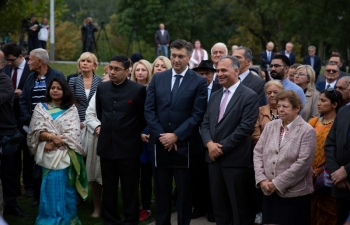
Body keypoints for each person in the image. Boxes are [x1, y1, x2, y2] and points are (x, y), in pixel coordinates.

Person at [145, 39, 207, 225]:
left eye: (181, 56)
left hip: (185, 145)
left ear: (189, 57)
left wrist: (176, 135)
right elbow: (149, 110)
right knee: (162, 193)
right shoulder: (158, 78)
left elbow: (197, 114)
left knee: (184, 194)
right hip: (160, 143)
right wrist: (163, 136)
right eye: (173, 55)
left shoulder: (198, 82)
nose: (176, 59)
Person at [201, 55, 259, 224]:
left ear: (236, 71)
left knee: (238, 208)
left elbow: (245, 128)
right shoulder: (215, 95)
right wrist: (209, 144)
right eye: (217, 70)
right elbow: (205, 124)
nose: (219, 73)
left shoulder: (249, 96)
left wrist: (220, 148)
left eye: (223, 70)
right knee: (219, 208)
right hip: (213, 161)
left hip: (234, 161)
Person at [27, 77, 88, 225]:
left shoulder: (71, 109)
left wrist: (54, 142)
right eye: (52, 88)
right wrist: (51, 136)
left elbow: (73, 133)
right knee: (50, 187)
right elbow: (35, 132)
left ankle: (68, 218)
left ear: (64, 91)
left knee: (67, 188)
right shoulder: (41, 108)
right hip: (48, 155)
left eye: (59, 88)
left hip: (66, 154)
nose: (55, 90)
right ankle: (50, 219)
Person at [95, 54, 146, 224]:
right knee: (108, 187)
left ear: (127, 70)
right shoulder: (102, 88)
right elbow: (100, 113)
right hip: (106, 145)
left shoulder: (137, 90)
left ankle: (131, 219)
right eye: (110, 68)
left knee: (129, 187)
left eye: (117, 69)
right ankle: (110, 219)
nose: (112, 72)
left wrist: (130, 133)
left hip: (129, 147)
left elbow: (142, 117)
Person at [254, 90, 316, 225]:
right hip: (268, 191)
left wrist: (277, 183)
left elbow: (303, 163)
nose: (280, 109)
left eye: (285, 106)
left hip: (294, 194)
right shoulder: (271, 126)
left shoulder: (307, 130)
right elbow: (258, 152)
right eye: (279, 106)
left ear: (297, 108)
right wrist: (261, 179)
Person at [19, 48, 65, 207]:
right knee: (37, 165)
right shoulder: (30, 78)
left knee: (53, 165)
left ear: (39, 61)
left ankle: (56, 198)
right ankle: (39, 198)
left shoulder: (57, 76)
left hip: (54, 129)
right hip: (34, 129)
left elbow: (64, 100)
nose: (28, 62)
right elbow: (23, 100)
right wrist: (29, 121)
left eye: (30, 59)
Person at [1, 43, 33, 202]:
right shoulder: (5, 69)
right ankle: (14, 187)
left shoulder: (30, 70)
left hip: (26, 117)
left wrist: (23, 94)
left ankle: (28, 186)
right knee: (12, 155)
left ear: (21, 56)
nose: (9, 63)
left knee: (28, 153)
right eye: (7, 60)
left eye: (12, 60)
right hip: (9, 119)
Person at [191, 59, 221, 222]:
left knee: (212, 178)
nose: (203, 77)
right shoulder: (191, 89)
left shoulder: (220, 89)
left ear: (213, 75)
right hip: (194, 139)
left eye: (207, 74)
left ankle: (212, 209)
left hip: (213, 140)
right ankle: (198, 207)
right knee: (196, 176)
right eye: (200, 74)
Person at [309, 88, 343, 225]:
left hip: (328, 173)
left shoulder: (339, 125)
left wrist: (321, 170)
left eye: (323, 101)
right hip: (308, 173)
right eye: (319, 100)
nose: (319, 103)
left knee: (329, 213)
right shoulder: (314, 122)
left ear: (334, 104)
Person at [84, 66, 109, 218]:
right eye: (106, 73)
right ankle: (97, 207)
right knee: (95, 173)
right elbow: (89, 114)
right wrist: (98, 127)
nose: (107, 76)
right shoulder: (99, 92)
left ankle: (109, 206)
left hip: (116, 138)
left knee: (111, 176)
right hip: (98, 137)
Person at [0, 65, 23, 217]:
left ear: (1, 65)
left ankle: (10, 205)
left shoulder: (4, 80)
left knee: (7, 172)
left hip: (4, 134)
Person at [324, 90, 350, 224]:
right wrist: (335, 173)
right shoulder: (343, 112)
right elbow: (330, 144)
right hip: (340, 185)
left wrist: (346, 170)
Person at [69, 52, 102, 129]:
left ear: (94, 66)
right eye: (82, 61)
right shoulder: (73, 81)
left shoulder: (101, 81)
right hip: (77, 122)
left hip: (96, 122)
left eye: (88, 61)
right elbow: (71, 103)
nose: (85, 63)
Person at [252, 80, 284, 145]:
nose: (272, 95)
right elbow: (255, 135)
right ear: (266, 95)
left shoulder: (287, 110)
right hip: (264, 149)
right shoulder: (259, 111)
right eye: (269, 93)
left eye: (275, 92)